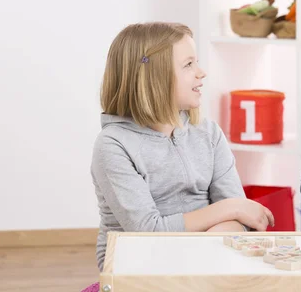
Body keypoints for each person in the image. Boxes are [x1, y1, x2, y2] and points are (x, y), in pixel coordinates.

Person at [91, 22, 274, 271]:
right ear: (154, 76)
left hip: (206, 257)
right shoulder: (113, 145)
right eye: (188, 64)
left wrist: (207, 247)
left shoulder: (208, 133)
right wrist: (228, 209)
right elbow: (147, 232)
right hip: (137, 264)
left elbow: (241, 218)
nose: (201, 73)